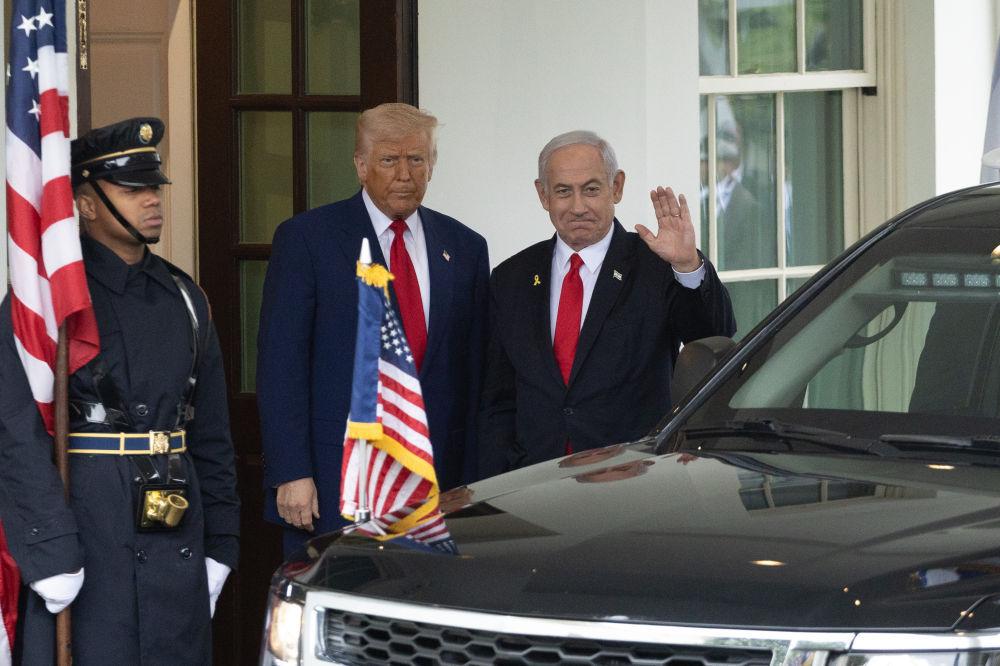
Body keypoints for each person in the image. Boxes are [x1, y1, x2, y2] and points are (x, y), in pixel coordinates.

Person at [0, 117, 240, 664]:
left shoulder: (185, 297)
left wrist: (223, 543)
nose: (152, 200)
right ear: (86, 204)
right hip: (89, 529)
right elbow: (14, 431)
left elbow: (211, 432)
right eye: (132, 190)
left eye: (154, 187)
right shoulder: (48, 301)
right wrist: (49, 548)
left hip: (176, 525)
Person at [257, 103, 489, 555]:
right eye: (388, 160)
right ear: (361, 165)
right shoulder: (308, 239)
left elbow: (476, 374)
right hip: (337, 480)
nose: (404, 174)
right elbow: (281, 364)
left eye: (416, 159)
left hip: (438, 483)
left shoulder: (465, 247)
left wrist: (476, 479)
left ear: (432, 165)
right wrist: (291, 471)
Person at [479, 130, 736, 474]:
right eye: (563, 191)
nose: (578, 207)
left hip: (631, 478)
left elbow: (715, 335)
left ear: (616, 187)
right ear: (543, 194)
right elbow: (498, 399)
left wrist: (687, 266)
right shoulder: (511, 277)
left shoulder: (656, 266)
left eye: (591, 189)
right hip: (534, 480)